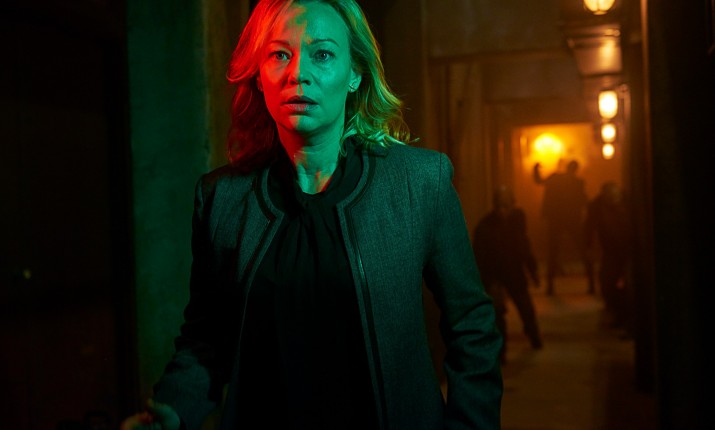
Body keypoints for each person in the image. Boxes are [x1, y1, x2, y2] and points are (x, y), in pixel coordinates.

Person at [121, 1, 503, 429]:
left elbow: (472, 326)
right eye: (279, 54)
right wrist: (170, 413)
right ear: (260, 76)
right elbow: (205, 342)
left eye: (322, 54)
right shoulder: (222, 199)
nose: (298, 73)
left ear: (355, 73)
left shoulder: (419, 183)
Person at [473, 185, 543, 364]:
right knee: (498, 315)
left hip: (514, 272)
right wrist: (487, 282)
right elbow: (480, 256)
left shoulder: (516, 221)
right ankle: (501, 352)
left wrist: (532, 269)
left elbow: (524, 246)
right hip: (494, 275)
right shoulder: (485, 227)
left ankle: (534, 335)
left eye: (507, 206)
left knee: (526, 308)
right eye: (500, 206)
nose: (503, 210)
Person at [533, 159, 593, 295]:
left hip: (557, 219)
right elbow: (584, 200)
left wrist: (535, 169)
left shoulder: (557, 179)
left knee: (553, 252)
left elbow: (539, 181)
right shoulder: (578, 183)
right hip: (571, 220)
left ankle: (550, 287)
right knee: (582, 250)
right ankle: (592, 284)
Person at [584, 181, 632, 331]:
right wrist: (588, 246)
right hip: (611, 250)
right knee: (608, 283)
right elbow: (589, 227)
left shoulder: (628, 203)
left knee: (622, 284)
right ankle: (618, 314)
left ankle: (623, 317)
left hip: (628, 249)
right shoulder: (597, 206)